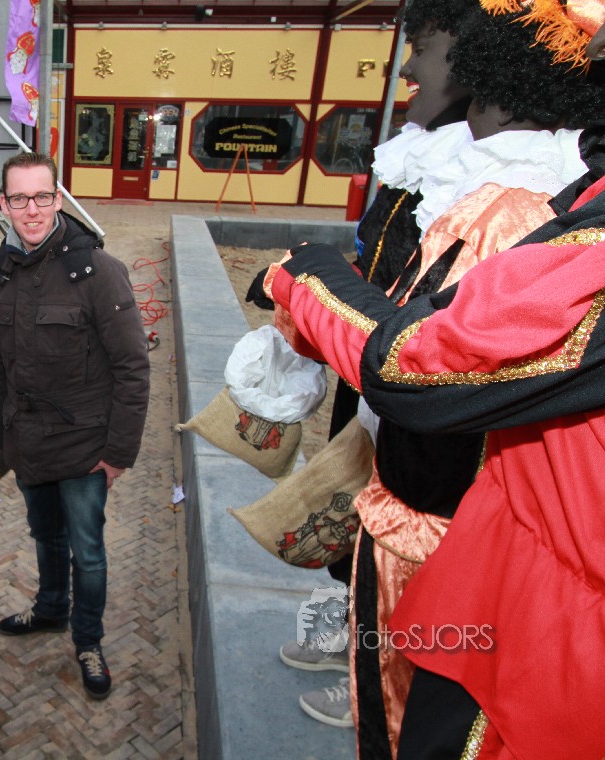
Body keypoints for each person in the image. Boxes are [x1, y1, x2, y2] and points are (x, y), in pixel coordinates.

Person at [263, 0, 605, 753]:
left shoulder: (511, 206)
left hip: (452, 512)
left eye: (426, 49)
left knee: (406, 696)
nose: (410, 68)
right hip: (463, 504)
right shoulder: (505, 182)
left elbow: (417, 358)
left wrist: (304, 279)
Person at [276, 0, 474, 731]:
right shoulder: (418, 151)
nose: (407, 66)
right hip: (368, 362)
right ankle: (349, 630)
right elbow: (385, 264)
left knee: (403, 539)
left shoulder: (501, 177)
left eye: (425, 48)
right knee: (357, 509)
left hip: (417, 381)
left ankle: (375, 673)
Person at [0, 152, 150, 700]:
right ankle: (51, 608)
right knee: (45, 535)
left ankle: (88, 640)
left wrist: (117, 454)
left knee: (87, 551)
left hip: (84, 448)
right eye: (19, 199)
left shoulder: (99, 271)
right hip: (27, 444)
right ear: (2, 204)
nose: (31, 210)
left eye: (42, 197)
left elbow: (132, 368)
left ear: (58, 199)